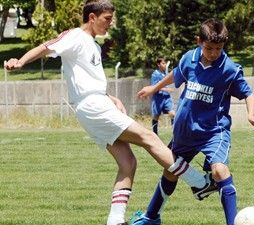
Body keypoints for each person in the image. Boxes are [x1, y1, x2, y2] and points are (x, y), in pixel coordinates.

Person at [4, 1, 216, 225]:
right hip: (92, 107)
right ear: (92, 17)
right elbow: (46, 46)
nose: (110, 23)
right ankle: (200, 183)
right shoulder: (75, 36)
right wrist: (21, 61)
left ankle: (115, 221)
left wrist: (110, 98)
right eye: (106, 19)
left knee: (128, 163)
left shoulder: (93, 46)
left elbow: (87, 82)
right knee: (149, 137)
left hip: (93, 105)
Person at [133, 18, 254, 225]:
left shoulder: (228, 69)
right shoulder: (189, 58)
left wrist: (251, 114)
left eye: (218, 48)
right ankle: (151, 217)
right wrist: (154, 88)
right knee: (170, 171)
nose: (213, 53)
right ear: (199, 41)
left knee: (220, 170)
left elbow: (248, 93)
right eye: (209, 48)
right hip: (185, 131)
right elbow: (177, 74)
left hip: (214, 131)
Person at [150, 57, 175, 135]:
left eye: (165, 63)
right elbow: (154, 86)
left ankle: (174, 134)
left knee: (173, 114)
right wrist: (166, 89)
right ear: (158, 64)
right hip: (158, 98)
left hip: (167, 98)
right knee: (156, 116)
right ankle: (155, 134)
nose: (164, 65)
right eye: (163, 63)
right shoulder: (155, 74)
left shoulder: (166, 73)